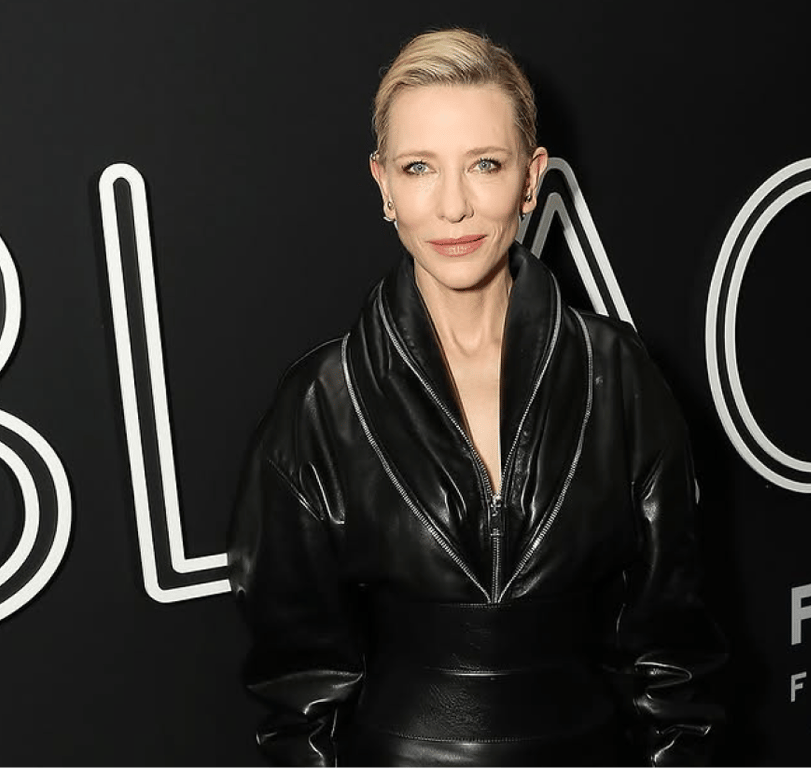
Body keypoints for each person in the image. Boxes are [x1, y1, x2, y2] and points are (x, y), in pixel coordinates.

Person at [226, 27, 727, 768]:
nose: (454, 206)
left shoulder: (618, 374)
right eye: (419, 168)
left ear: (531, 178)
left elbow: (671, 659)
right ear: (384, 185)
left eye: (485, 164)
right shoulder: (321, 403)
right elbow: (297, 692)